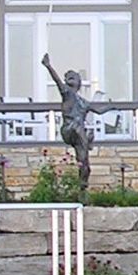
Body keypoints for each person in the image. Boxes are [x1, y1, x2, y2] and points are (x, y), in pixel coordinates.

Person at [41, 52, 95, 190]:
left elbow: (99, 109)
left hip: (78, 133)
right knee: (79, 127)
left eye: (73, 77)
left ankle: (83, 184)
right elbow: (57, 81)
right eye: (68, 78)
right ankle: (87, 142)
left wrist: (113, 106)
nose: (68, 79)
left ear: (78, 82)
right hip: (69, 130)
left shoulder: (83, 102)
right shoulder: (67, 94)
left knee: (84, 163)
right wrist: (48, 66)